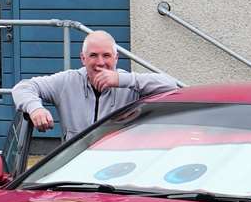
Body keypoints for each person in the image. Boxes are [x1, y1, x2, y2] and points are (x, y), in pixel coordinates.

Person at [11, 31, 179, 138]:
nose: (100, 62)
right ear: (83, 59)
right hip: (74, 170)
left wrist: (122, 80)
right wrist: (35, 108)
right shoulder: (68, 82)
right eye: (93, 55)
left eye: (106, 55)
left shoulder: (129, 84)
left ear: (116, 58)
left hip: (117, 169)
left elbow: (172, 86)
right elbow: (23, 87)